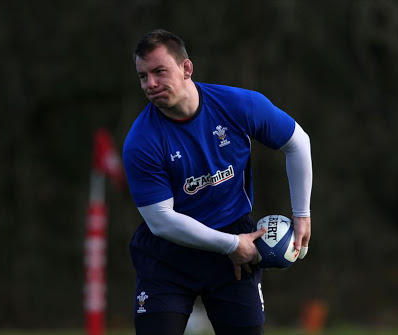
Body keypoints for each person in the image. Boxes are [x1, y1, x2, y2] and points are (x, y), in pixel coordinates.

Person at [123, 29, 313, 335]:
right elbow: (161, 221)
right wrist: (230, 245)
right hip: (168, 256)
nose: (151, 84)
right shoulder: (141, 141)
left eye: (159, 72)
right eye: (143, 76)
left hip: (235, 248)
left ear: (186, 68)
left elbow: (297, 143)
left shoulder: (237, 106)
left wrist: (301, 215)